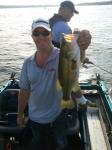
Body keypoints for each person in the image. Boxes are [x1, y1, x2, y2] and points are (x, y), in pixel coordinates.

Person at [17, 18, 69, 150]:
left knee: (60, 145)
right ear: (32, 37)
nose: (41, 37)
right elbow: (24, 91)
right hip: (35, 118)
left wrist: (83, 45)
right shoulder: (28, 62)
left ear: (51, 34)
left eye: (45, 33)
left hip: (58, 115)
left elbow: (76, 60)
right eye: (36, 33)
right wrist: (20, 114)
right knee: (38, 145)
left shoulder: (63, 55)